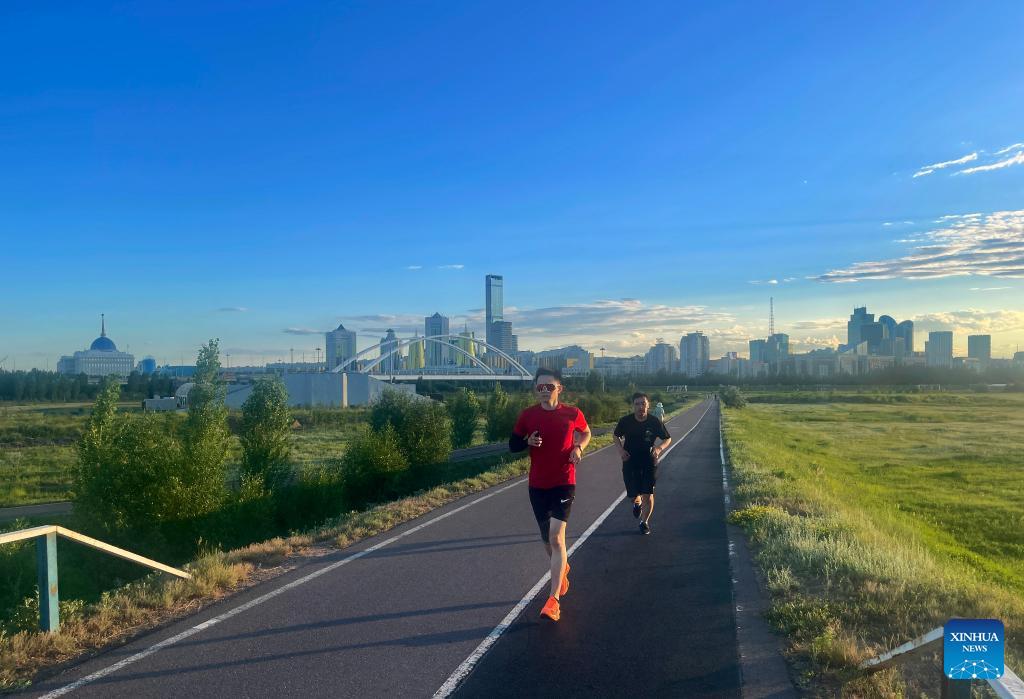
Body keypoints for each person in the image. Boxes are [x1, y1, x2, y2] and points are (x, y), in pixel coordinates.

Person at [509, 368, 591, 622]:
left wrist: (579, 447)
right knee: (548, 541)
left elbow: (586, 432)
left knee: (556, 537)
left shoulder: (572, 413)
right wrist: (527, 442)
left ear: (559, 388)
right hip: (537, 485)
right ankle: (562, 567)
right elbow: (513, 445)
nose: (544, 391)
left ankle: (553, 600)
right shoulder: (528, 415)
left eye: (549, 386)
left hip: (564, 482)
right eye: (540, 387)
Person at [613, 392, 672, 535]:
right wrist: (621, 451)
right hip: (630, 461)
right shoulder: (625, 421)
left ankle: (644, 522)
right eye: (637, 404)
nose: (640, 407)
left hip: (649, 461)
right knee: (633, 495)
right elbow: (616, 435)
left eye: (643, 404)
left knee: (648, 493)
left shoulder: (654, 422)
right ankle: (636, 502)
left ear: (648, 405)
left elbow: (667, 438)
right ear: (633, 406)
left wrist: (659, 448)